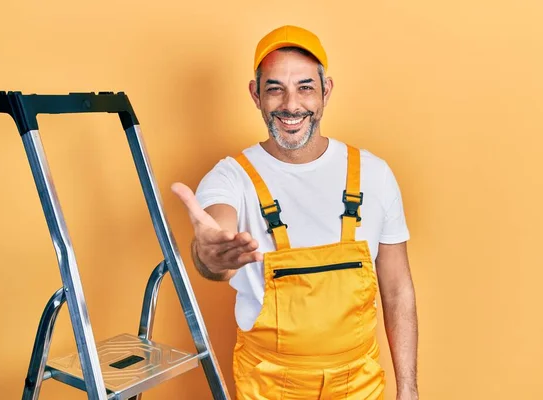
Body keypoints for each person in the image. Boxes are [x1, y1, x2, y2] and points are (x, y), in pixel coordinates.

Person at [171, 25, 419, 400]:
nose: (291, 104)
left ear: (326, 92)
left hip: (360, 386)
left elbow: (398, 289)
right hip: (269, 387)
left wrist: (409, 389)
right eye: (275, 88)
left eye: (305, 87)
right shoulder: (231, 177)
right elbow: (215, 244)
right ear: (256, 94)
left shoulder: (374, 174)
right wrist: (210, 254)